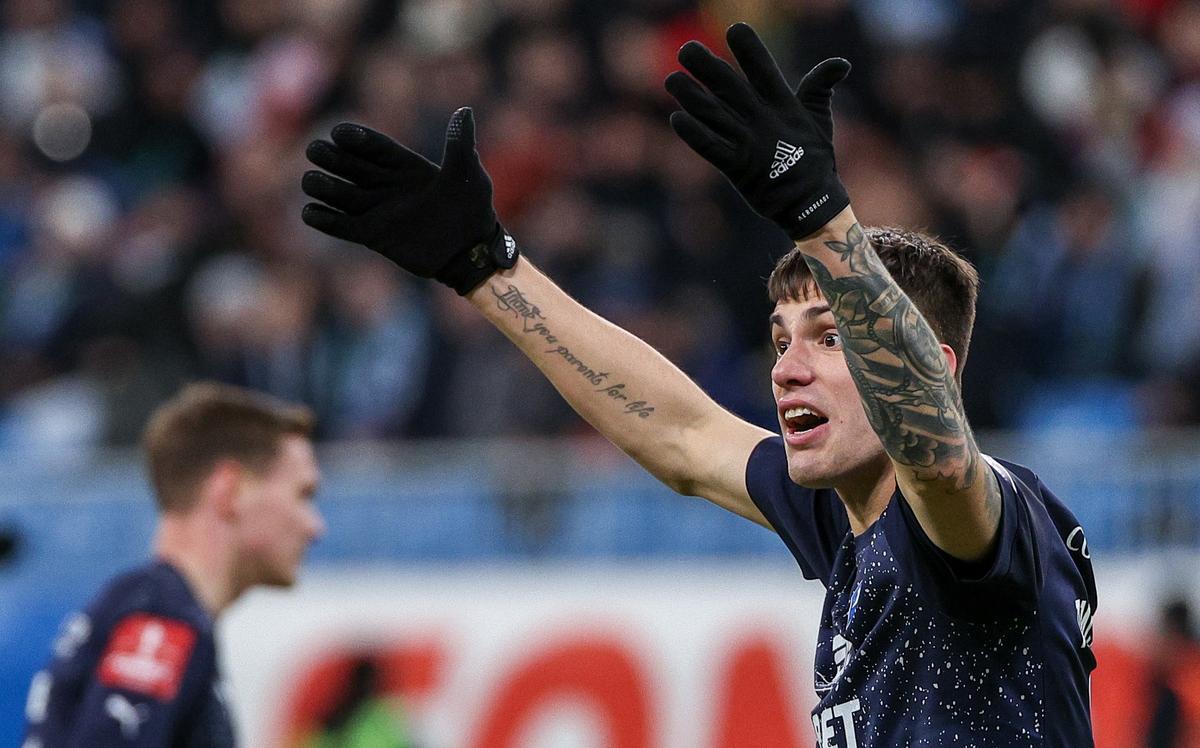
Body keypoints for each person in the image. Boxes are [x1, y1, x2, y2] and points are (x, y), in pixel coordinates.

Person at [300, 22, 1097, 746]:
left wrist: (822, 216)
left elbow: (937, 456)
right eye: (780, 341)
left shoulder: (989, 519)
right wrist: (487, 270)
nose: (787, 368)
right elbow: (683, 434)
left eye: (830, 338)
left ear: (939, 368)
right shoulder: (844, 519)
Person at [22, 382, 325, 746]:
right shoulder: (162, 618)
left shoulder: (153, 607)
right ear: (231, 491)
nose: (315, 526)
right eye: (303, 495)